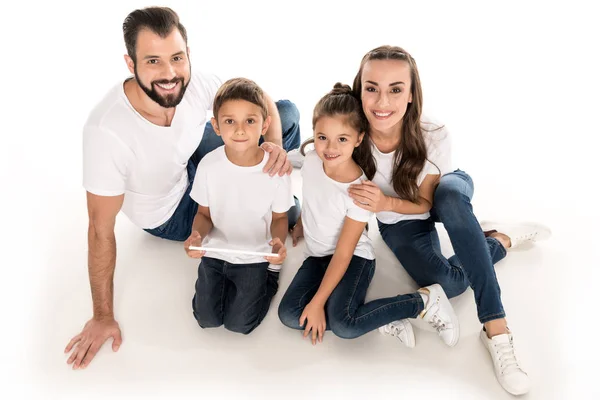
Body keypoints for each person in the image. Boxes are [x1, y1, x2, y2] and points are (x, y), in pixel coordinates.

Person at [65, 7, 300, 369]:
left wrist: (276, 147)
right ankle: (280, 194)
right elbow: (99, 229)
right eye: (153, 61)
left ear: (188, 54)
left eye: (177, 57)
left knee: (285, 113)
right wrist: (101, 315)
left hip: (190, 162)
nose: (170, 73)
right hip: (170, 210)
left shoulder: (192, 84)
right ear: (131, 64)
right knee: (281, 213)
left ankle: (275, 171)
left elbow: (260, 95)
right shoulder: (107, 132)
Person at [347, 45, 551, 396]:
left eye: (396, 89)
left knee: (453, 202)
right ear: (359, 89)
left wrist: (383, 201)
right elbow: (310, 151)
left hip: (444, 189)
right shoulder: (350, 134)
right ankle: (497, 241)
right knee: (450, 284)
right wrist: (273, 151)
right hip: (398, 218)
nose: (383, 101)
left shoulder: (433, 132)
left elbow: (427, 201)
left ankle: (496, 328)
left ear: (411, 94)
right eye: (372, 88)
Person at [278, 84, 460, 348]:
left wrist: (318, 302)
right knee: (289, 314)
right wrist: (302, 223)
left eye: (342, 139)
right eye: (322, 137)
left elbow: (343, 253)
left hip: (353, 259)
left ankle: (422, 302)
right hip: (317, 256)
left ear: (359, 139)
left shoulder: (359, 191)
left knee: (344, 325)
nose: (330, 148)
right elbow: (312, 197)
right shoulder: (312, 161)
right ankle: (374, 317)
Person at [184, 77, 293, 334]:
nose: (240, 130)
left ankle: (271, 277)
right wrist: (197, 235)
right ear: (216, 126)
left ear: (265, 124)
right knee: (205, 319)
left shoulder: (276, 170)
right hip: (216, 253)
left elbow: (279, 219)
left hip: (254, 256)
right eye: (230, 121)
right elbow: (203, 214)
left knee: (240, 325)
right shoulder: (209, 166)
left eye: (250, 121)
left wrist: (278, 243)